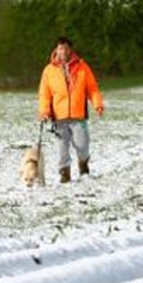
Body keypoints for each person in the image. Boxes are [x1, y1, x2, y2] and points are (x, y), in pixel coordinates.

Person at [38, 36, 104, 184]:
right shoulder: (49, 71)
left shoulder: (82, 67)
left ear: (70, 50)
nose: (63, 51)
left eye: (66, 48)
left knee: (82, 144)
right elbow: (44, 94)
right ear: (56, 50)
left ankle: (83, 165)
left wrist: (98, 104)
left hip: (78, 115)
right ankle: (64, 173)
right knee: (62, 148)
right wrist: (44, 112)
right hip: (59, 117)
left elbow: (92, 88)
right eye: (60, 48)